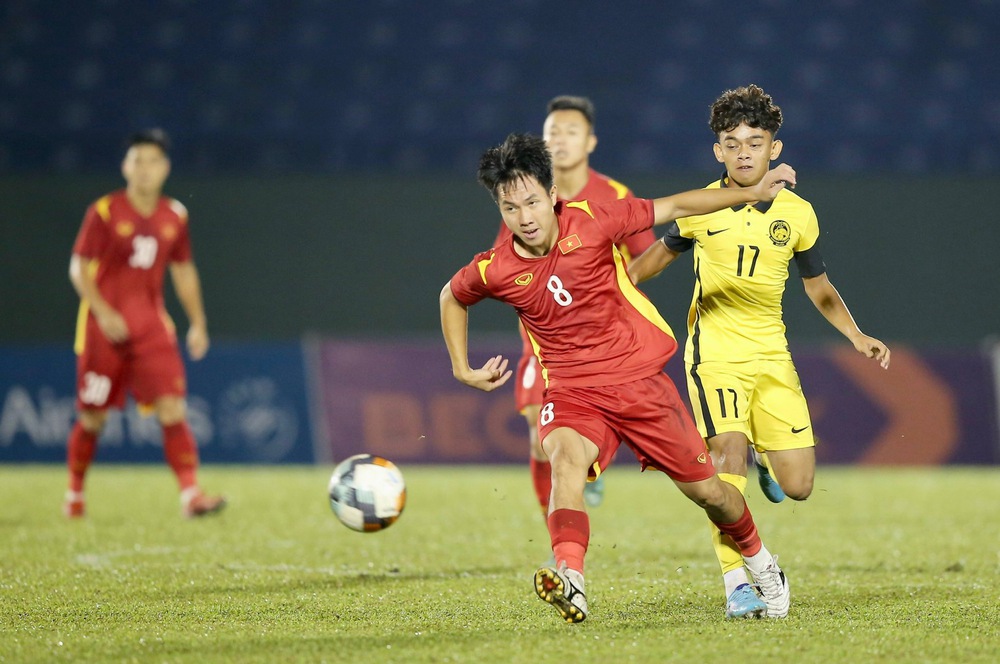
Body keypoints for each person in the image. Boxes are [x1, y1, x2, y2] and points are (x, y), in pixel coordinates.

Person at [440, 132, 795, 623]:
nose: (524, 217)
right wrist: (461, 367)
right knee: (563, 461)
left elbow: (677, 205)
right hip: (571, 391)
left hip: (639, 382)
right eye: (509, 208)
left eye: (531, 202)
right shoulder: (496, 269)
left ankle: (760, 561)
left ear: (552, 196)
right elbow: (452, 296)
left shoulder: (593, 220)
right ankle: (571, 580)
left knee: (709, 493)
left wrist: (750, 194)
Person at [628, 84, 890, 618]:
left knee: (800, 487)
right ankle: (736, 584)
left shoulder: (797, 214)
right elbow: (648, 263)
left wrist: (857, 335)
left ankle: (768, 461)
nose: (744, 152)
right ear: (717, 151)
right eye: (732, 142)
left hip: (772, 355)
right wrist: (616, 294)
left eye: (755, 142)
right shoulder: (702, 206)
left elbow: (817, 286)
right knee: (726, 459)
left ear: (776, 149)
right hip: (714, 351)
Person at [498, 96, 656, 515]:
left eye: (570, 132)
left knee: (589, 431)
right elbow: (507, 265)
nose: (560, 141)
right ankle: (556, 536)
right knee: (538, 435)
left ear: (590, 142)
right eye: (552, 134)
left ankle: (591, 465)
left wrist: (615, 287)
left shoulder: (614, 195)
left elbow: (647, 255)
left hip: (603, 340)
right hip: (545, 339)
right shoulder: (526, 198)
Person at [64, 128, 226, 519]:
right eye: (137, 160)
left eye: (153, 161)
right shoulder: (104, 211)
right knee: (93, 418)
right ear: (125, 166)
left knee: (172, 408)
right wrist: (103, 311)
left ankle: (191, 495)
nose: (145, 169)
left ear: (165, 168)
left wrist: (198, 322)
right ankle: (75, 494)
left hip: (152, 328)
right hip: (104, 329)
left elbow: (183, 271)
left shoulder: (175, 215)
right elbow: (78, 268)